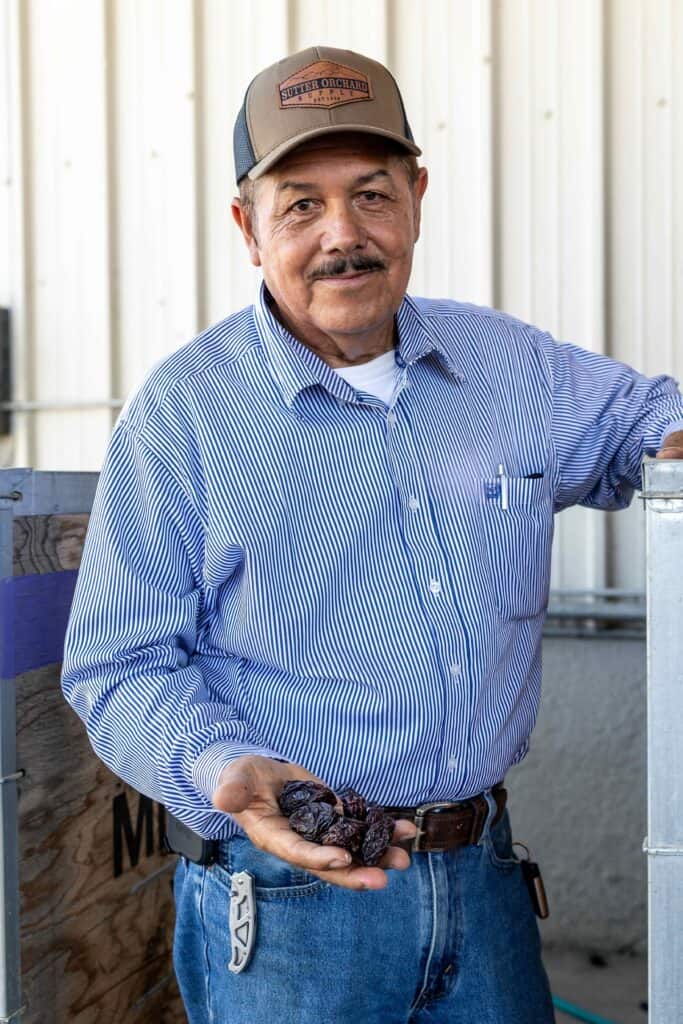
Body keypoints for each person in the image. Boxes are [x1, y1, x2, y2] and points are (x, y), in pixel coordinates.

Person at [61, 45, 683, 1024]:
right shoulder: (181, 417)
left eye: (371, 194)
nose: (342, 235)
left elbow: (648, 424)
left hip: (482, 882)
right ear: (246, 224)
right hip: (289, 907)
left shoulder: (509, 370)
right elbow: (117, 663)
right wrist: (225, 768)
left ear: (417, 197)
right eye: (300, 204)